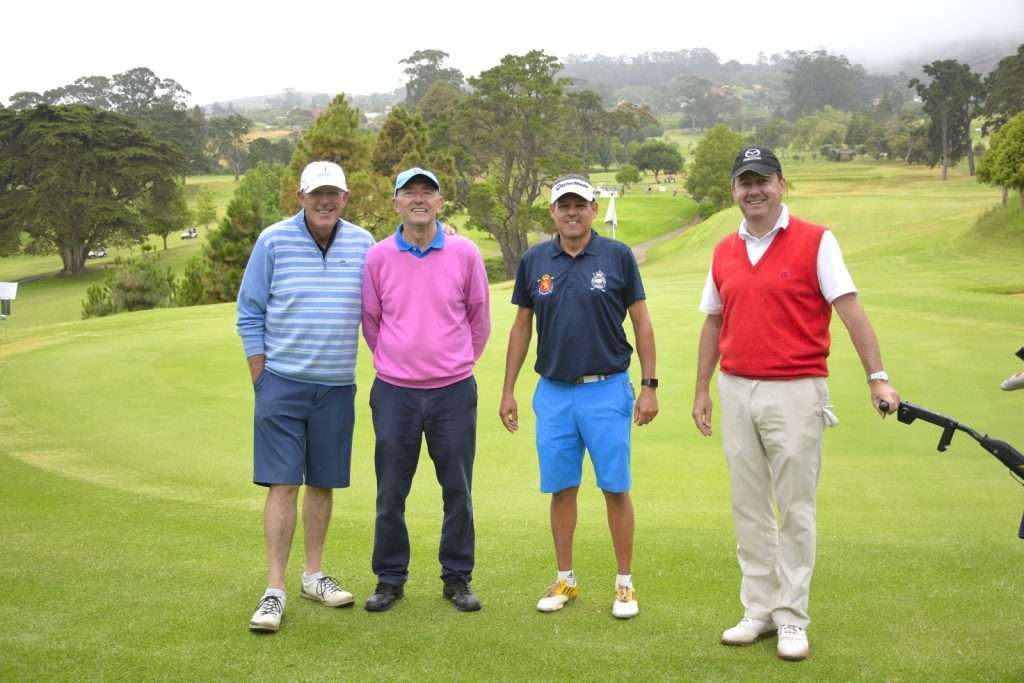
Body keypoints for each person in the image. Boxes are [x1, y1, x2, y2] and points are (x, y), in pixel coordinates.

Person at [691, 146, 901, 661]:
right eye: (745, 182)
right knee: (748, 506)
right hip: (737, 387)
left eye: (763, 180)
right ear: (734, 190)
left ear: (782, 184)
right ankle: (758, 610)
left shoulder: (816, 241)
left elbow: (850, 310)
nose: (754, 190)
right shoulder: (723, 249)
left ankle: (791, 617)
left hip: (796, 389)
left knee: (796, 508)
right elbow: (713, 321)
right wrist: (701, 389)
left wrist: (878, 378)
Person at [499, 174, 658, 619]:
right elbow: (520, 327)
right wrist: (508, 389)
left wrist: (649, 385)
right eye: (563, 205)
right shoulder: (535, 260)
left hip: (606, 389)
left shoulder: (618, 256)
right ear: (552, 212)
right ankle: (565, 579)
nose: (572, 212)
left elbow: (641, 323)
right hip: (553, 393)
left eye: (580, 205)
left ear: (592, 210)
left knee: (615, 488)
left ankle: (624, 584)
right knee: (561, 488)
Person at [237, 161, 376, 633]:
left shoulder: (363, 243)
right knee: (283, 483)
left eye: (333, 193)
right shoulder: (273, 240)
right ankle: (274, 589)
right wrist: (262, 377)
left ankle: (312, 575)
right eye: (317, 193)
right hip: (282, 383)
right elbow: (249, 311)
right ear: (300, 197)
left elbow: (378, 309)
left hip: (337, 386)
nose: (325, 201)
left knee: (323, 482)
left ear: (345, 197)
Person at [361, 167, 491, 613]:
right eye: (409, 192)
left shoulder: (465, 253)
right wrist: (400, 362)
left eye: (427, 193)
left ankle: (457, 578)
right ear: (395, 202)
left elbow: (479, 319)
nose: (419, 199)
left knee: (457, 488)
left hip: (453, 391)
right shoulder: (378, 257)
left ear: (440, 202)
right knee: (391, 491)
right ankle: (390, 579)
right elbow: (372, 322)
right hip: (395, 392)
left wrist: (453, 363)